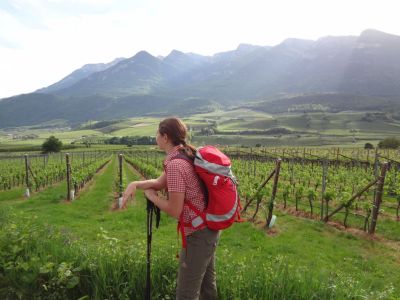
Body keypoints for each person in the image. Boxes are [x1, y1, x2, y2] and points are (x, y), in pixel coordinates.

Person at [121, 117, 220, 300]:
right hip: (208, 229)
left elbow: (174, 209)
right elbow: (159, 183)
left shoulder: (175, 164)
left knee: (186, 294)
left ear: (165, 137)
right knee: (207, 288)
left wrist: (152, 197)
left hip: (198, 234)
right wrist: (135, 183)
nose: (155, 137)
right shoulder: (184, 155)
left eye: (157, 134)